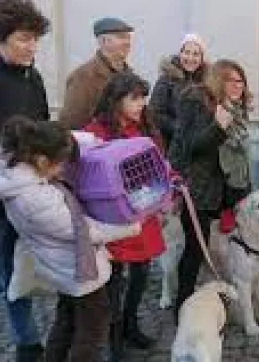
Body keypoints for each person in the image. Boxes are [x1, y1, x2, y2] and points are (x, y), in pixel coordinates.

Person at [0, 116, 141, 362]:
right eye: (60, 164)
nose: (63, 169)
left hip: (63, 267)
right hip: (76, 269)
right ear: (42, 161)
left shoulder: (19, 166)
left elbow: (77, 138)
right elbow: (83, 230)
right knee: (92, 331)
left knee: (66, 321)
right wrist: (131, 228)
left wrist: (94, 141)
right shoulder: (34, 199)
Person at [84, 72, 166, 360]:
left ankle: (131, 323)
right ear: (116, 100)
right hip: (114, 217)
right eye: (134, 98)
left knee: (142, 272)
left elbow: (157, 163)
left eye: (143, 97)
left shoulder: (143, 127)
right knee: (114, 280)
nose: (141, 104)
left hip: (143, 213)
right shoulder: (95, 132)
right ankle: (114, 337)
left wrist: (171, 179)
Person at [168, 59, 252, 321]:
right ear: (218, 80)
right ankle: (182, 307)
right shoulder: (196, 101)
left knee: (216, 248)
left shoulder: (234, 109)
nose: (237, 86)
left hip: (223, 189)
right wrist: (218, 126)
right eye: (231, 80)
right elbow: (191, 145)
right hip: (197, 188)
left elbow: (238, 155)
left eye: (241, 81)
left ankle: (210, 300)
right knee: (195, 249)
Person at [0, 0, 50, 362]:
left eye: (34, 38)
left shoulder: (34, 76)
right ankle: (27, 342)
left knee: (20, 264)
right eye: (22, 38)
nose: (31, 46)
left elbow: (44, 124)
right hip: (1, 188)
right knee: (6, 267)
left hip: (28, 188)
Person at [59, 17, 134, 129]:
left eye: (128, 38)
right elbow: (72, 121)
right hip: (98, 143)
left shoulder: (130, 75)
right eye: (121, 37)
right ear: (103, 41)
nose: (127, 43)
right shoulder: (84, 76)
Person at [149, 33, 209, 149]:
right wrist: (180, 128)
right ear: (180, 54)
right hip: (172, 144)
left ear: (201, 58)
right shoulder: (166, 80)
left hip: (198, 143)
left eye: (196, 54)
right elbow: (155, 113)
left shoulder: (206, 82)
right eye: (186, 52)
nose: (190, 58)